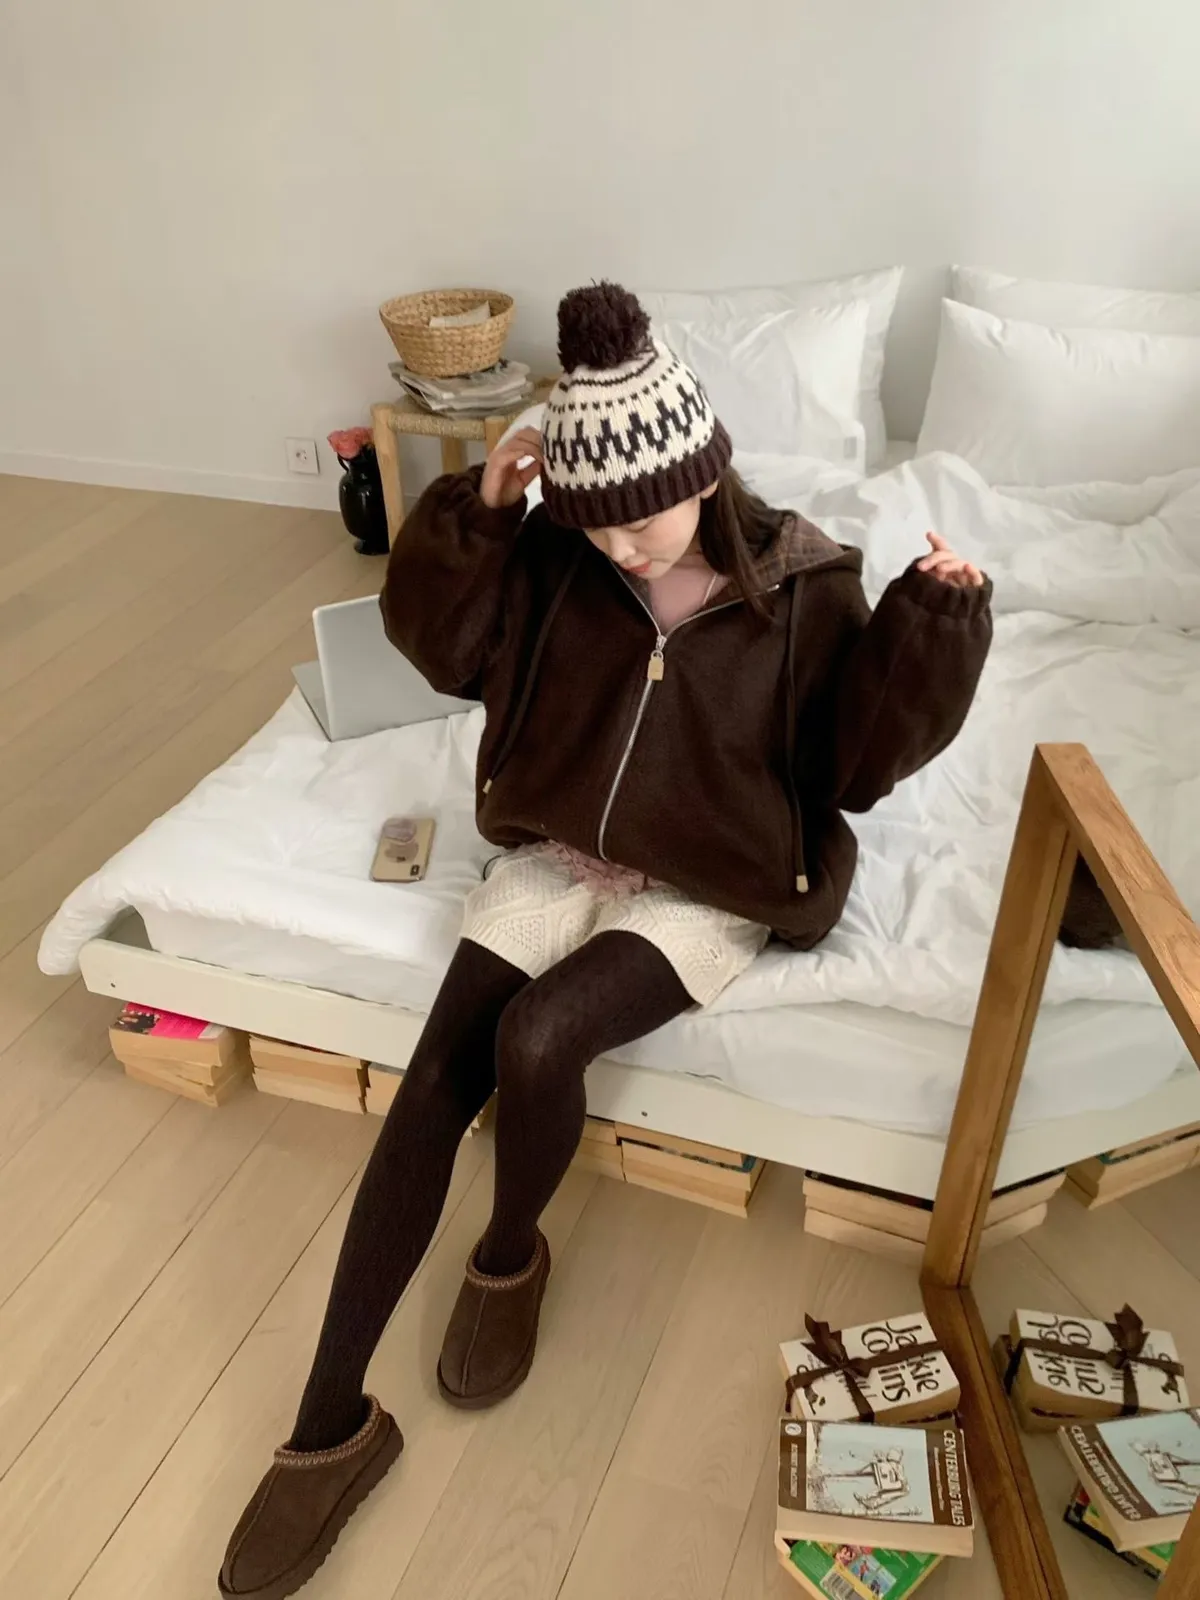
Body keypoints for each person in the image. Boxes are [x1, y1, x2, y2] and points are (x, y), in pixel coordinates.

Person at [218, 283, 991, 1599]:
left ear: (702, 476)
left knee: (538, 1038)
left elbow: (854, 768)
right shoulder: (557, 558)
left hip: (712, 880)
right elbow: (435, 649)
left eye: (643, 517)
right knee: (431, 1082)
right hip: (558, 850)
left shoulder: (806, 590)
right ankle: (326, 1427)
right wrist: (482, 513)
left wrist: (933, 627)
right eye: (597, 520)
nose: (623, 547)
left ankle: (508, 1252)